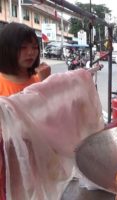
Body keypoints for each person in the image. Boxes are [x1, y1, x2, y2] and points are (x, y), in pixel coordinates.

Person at [0, 22, 51, 199]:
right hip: (5, 157)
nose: (31, 52)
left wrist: (47, 84)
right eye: (23, 47)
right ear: (7, 49)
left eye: (35, 47)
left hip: (33, 151)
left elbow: (49, 114)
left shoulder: (38, 79)